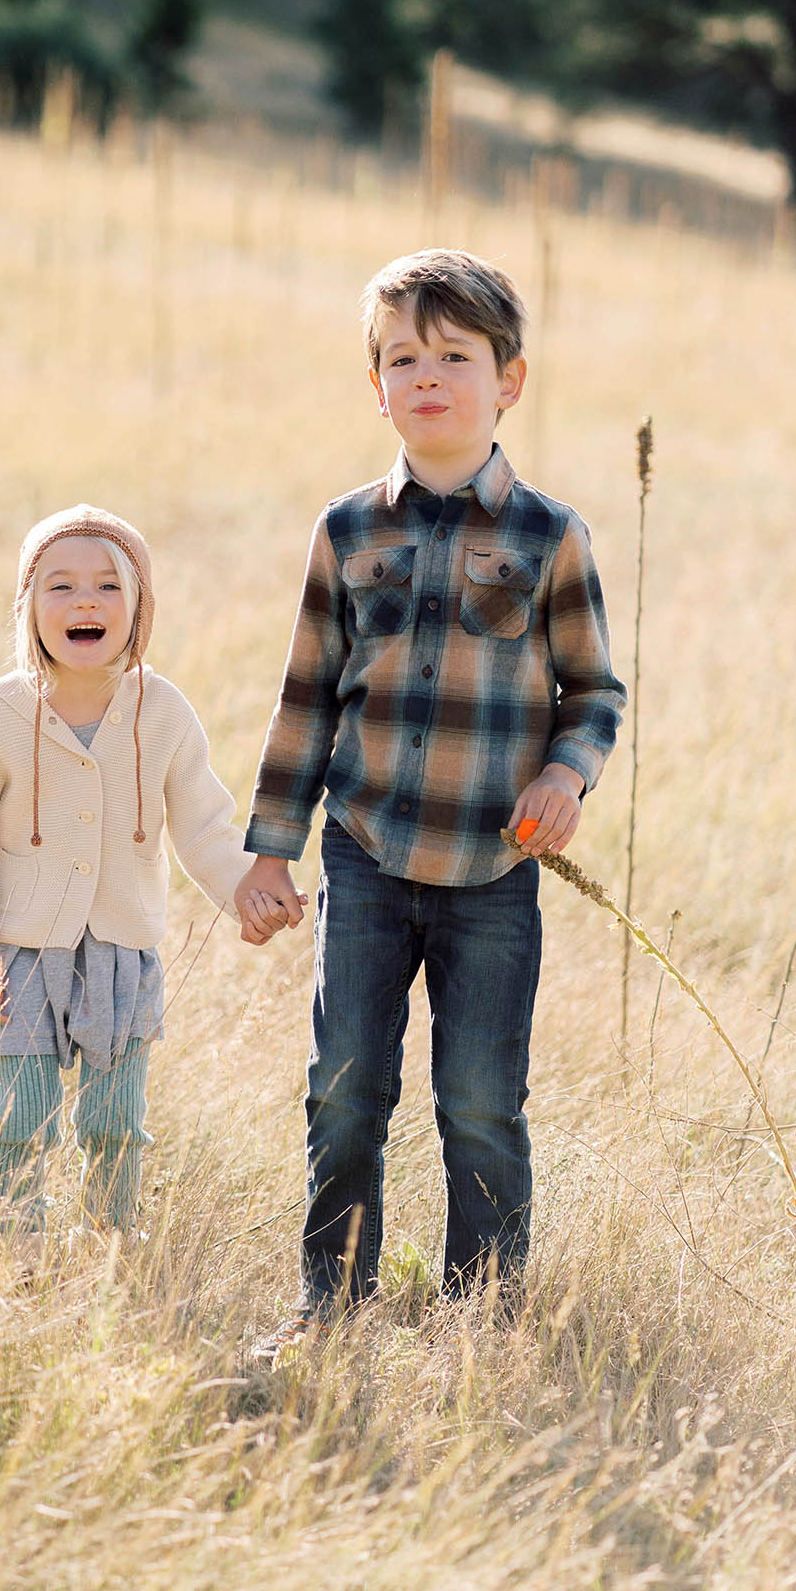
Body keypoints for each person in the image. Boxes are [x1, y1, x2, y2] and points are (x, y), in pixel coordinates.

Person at [234, 248, 626, 1346]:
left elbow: (593, 689)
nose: (428, 378)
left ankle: (484, 1319)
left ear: (510, 380)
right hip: (364, 853)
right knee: (347, 1092)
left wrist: (565, 771)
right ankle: (332, 1303)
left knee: (480, 1104)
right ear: (376, 387)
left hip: (491, 871)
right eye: (403, 358)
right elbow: (306, 695)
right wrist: (271, 848)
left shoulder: (549, 536)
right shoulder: (348, 531)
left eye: (456, 356)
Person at [0, 504, 282, 1249]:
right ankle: (12, 1243)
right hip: (21, 954)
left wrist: (246, 891)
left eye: (108, 586)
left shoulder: (161, 710)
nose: (85, 601)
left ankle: (108, 1238)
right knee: (22, 1112)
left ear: (139, 609)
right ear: (28, 608)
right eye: (59, 587)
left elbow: (201, 823)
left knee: (113, 1119)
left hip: (122, 950)